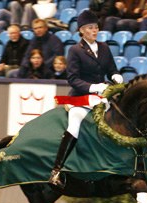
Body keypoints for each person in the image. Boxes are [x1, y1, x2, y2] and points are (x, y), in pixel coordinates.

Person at [49, 10, 123, 188]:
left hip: (101, 97)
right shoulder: (75, 50)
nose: (95, 30)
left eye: (96, 27)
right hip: (81, 98)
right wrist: (93, 87)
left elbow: (111, 69)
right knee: (75, 122)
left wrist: (116, 76)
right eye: (90, 28)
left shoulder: (104, 47)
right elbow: (72, 79)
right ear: (82, 30)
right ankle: (56, 170)